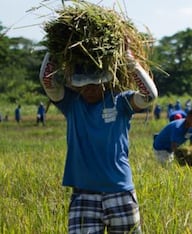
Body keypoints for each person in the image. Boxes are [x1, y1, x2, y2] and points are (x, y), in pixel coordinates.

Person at [39, 46, 158, 232]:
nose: (89, 89)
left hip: (120, 191)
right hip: (83, 194)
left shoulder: (120, 102)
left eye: (95, 84)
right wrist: (56, 48)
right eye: (84, 85)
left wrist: (130, 61)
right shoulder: (71, 104)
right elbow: (47, 80)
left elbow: (149, 95)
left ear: (105, 82)